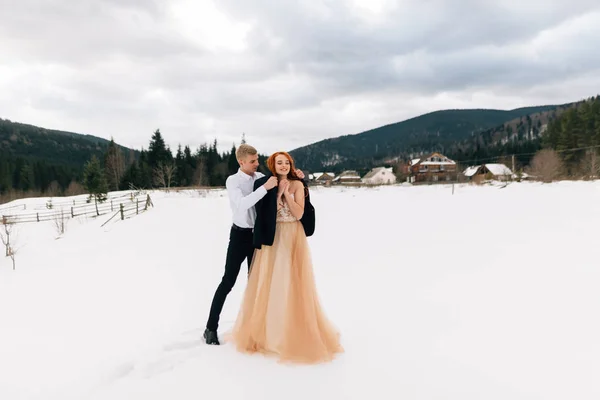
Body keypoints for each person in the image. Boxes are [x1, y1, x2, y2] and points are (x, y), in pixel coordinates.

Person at [229, 151, 343, 364]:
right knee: (272, 282)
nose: (283, 166)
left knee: (293, 282)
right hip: (273, 238)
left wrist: (286, 194)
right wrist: (275, 192)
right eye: (279, 162)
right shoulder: (267, 183)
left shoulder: (298, 184)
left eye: (286, 162)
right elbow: (261, 210)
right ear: (273, 165)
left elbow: (299, 214)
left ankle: (293, 330)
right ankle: (271, 333)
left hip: (292, 235)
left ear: (291, 165)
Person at [204, 144, 303, 345]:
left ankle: (255, 329)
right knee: (227, 282)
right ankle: (210, 328)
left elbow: (284, 180)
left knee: (257, 283)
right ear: (241, 162)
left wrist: (299, 176)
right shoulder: (233, 181)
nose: (257, 164)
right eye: (253, 161)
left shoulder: (260, 178)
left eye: (257, 160)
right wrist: (265, 189)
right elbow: (241, 204)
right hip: (240, 236)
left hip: (259, 237)